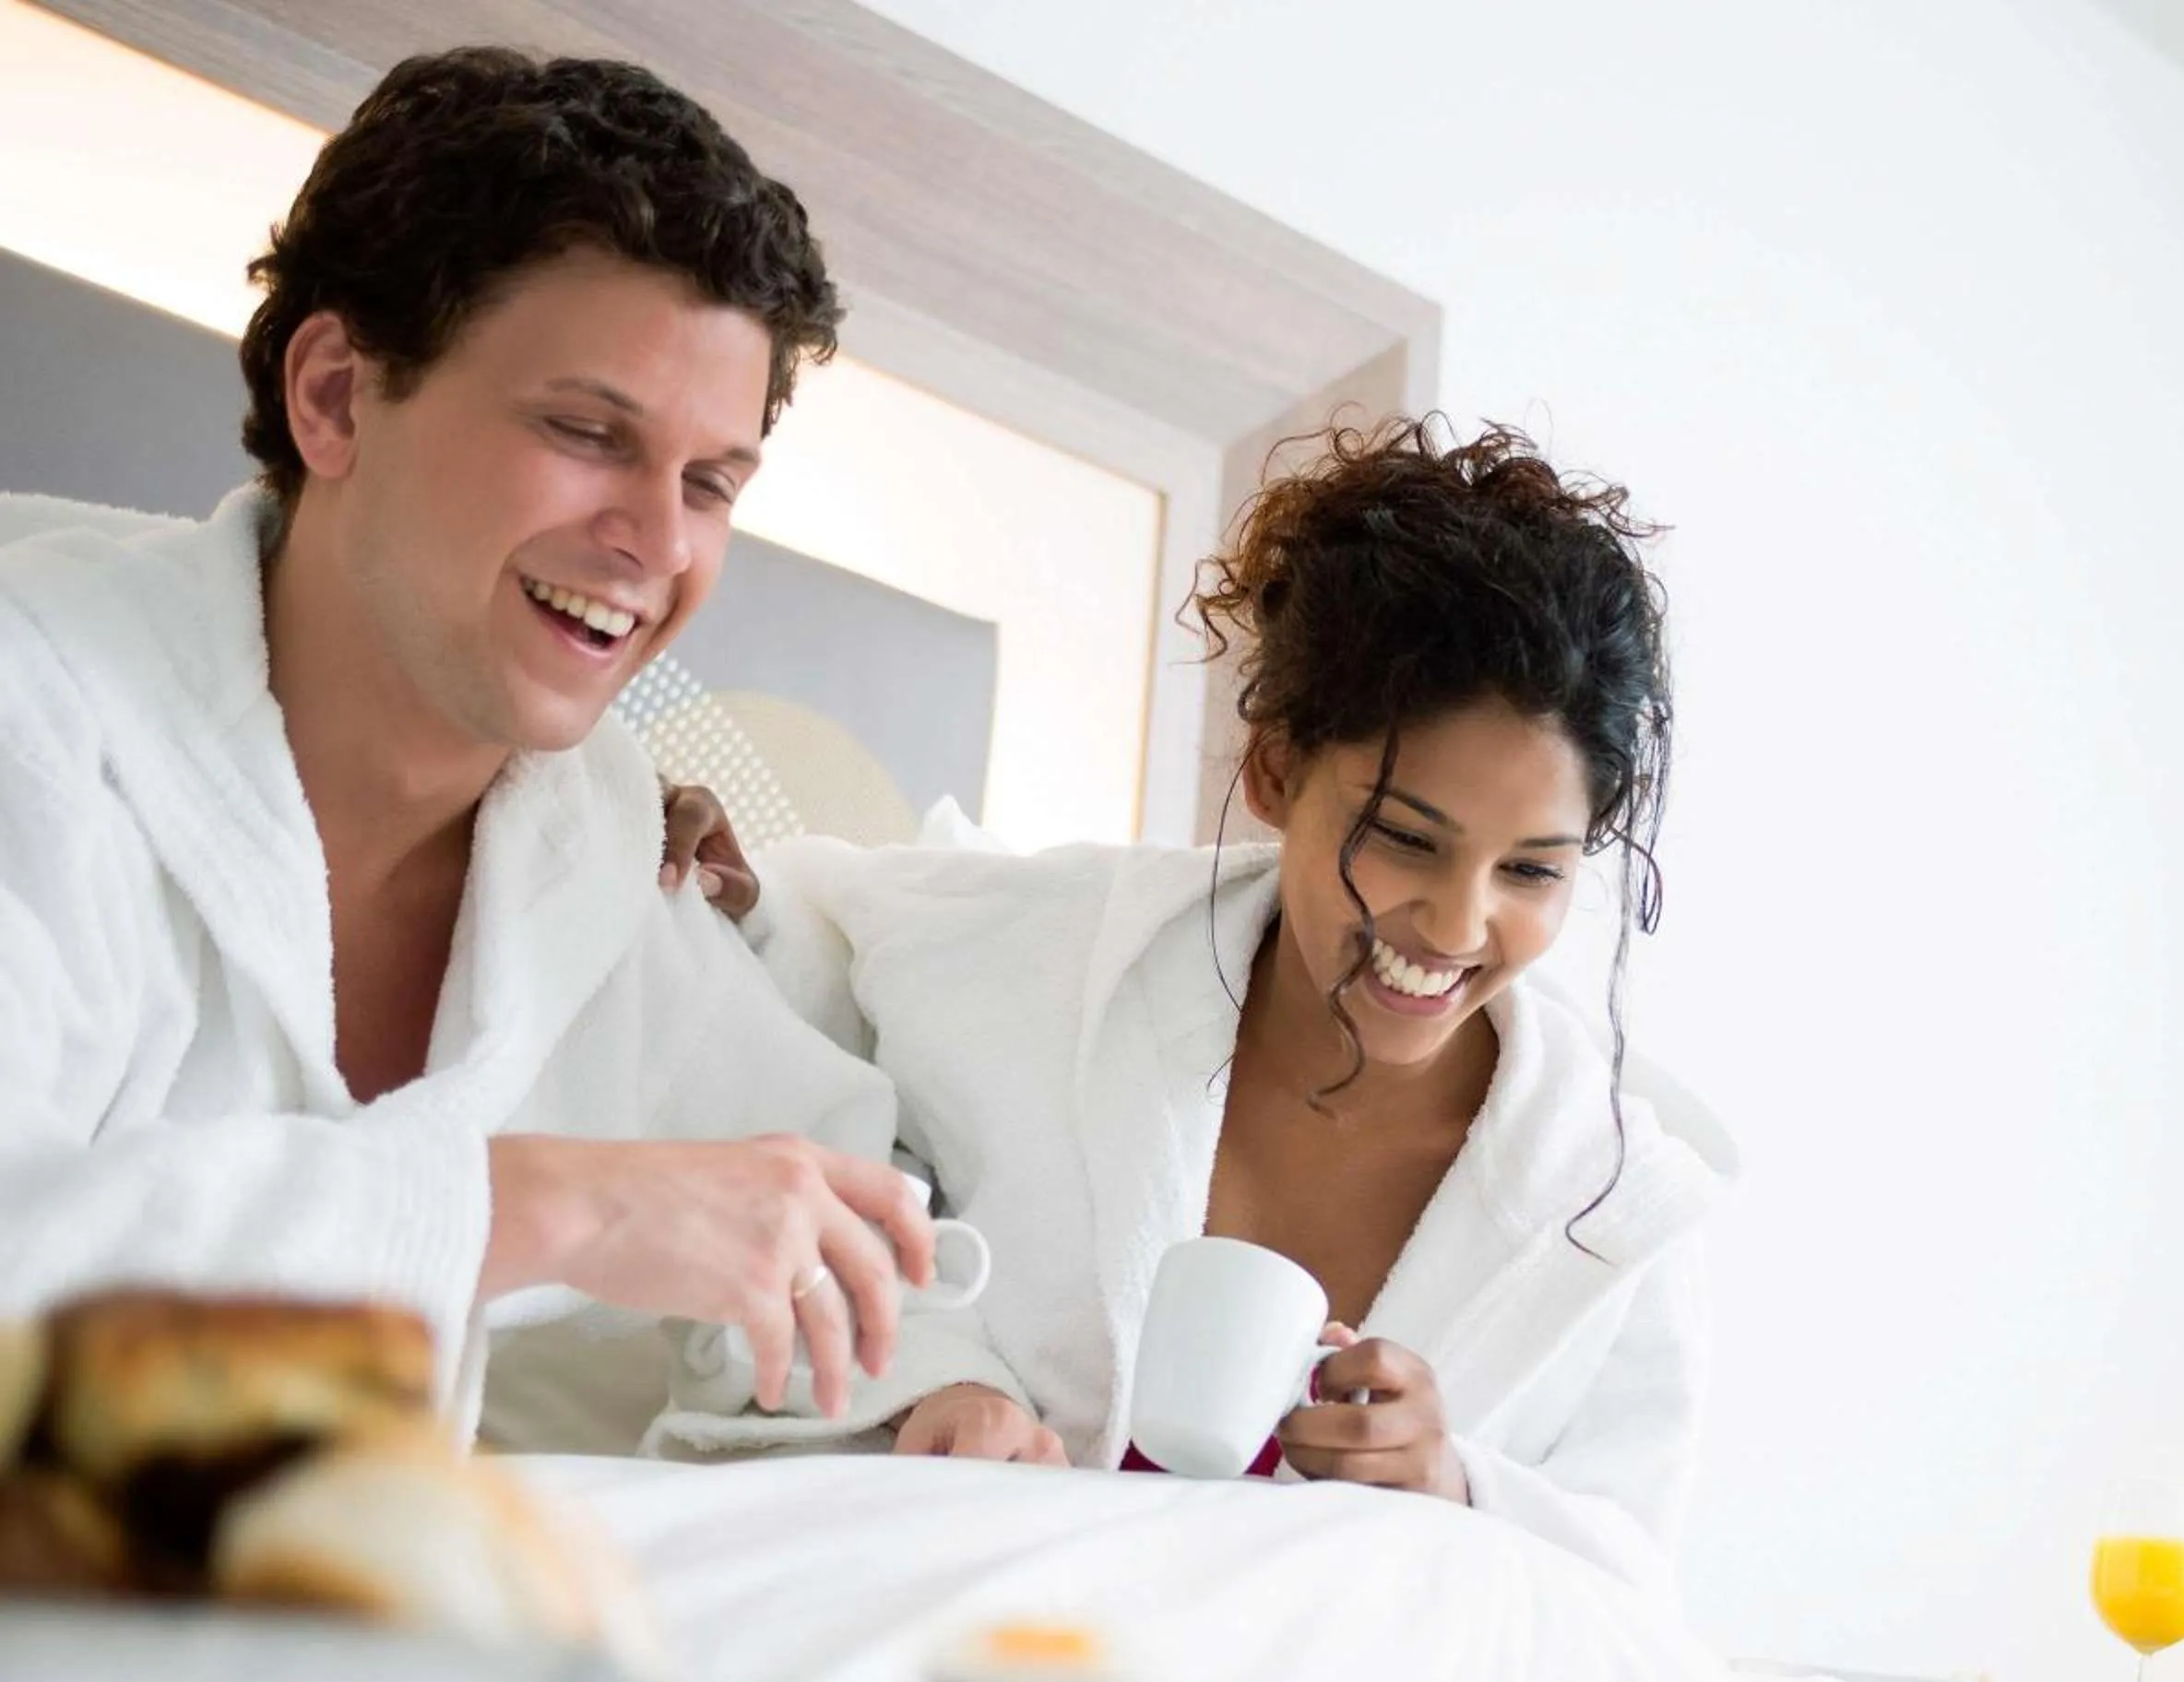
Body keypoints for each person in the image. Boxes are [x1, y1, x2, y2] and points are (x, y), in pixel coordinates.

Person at [0, 48, 944, 1435]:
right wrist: (542, 1206)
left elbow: (835, 1198)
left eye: (709, 483)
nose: (662, 543)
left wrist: (946, 1393)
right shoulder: (40, 708)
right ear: (334, 396)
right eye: (585, 430)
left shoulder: (594, 838)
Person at [657, 420, 1719, 1592]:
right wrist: (942, 1389)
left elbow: (1632, 1596)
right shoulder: (1043, 955)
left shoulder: (1612, 1208)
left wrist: (1456, 1490)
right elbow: (800, 1016)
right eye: (1404, 839)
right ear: (1271, 773)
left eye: (1533, 870)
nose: (1459, 929)